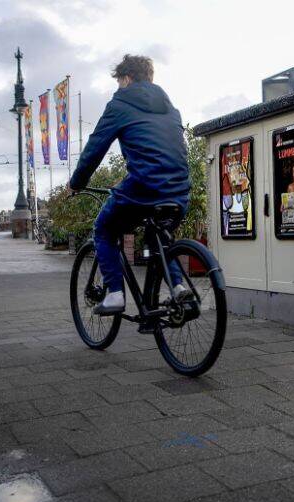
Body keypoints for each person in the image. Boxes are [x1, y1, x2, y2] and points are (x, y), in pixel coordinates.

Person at [69, 54, 190, 315]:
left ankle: (114, 293)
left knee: (103, 229)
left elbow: (95, 148)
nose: (118, 87)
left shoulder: (120, 104)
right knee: (159, 237)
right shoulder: (171, 108)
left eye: (119, 81)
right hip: (180, 189)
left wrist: (77, 183)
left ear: (127, 78)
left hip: (144, 187)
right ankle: (178, 287)